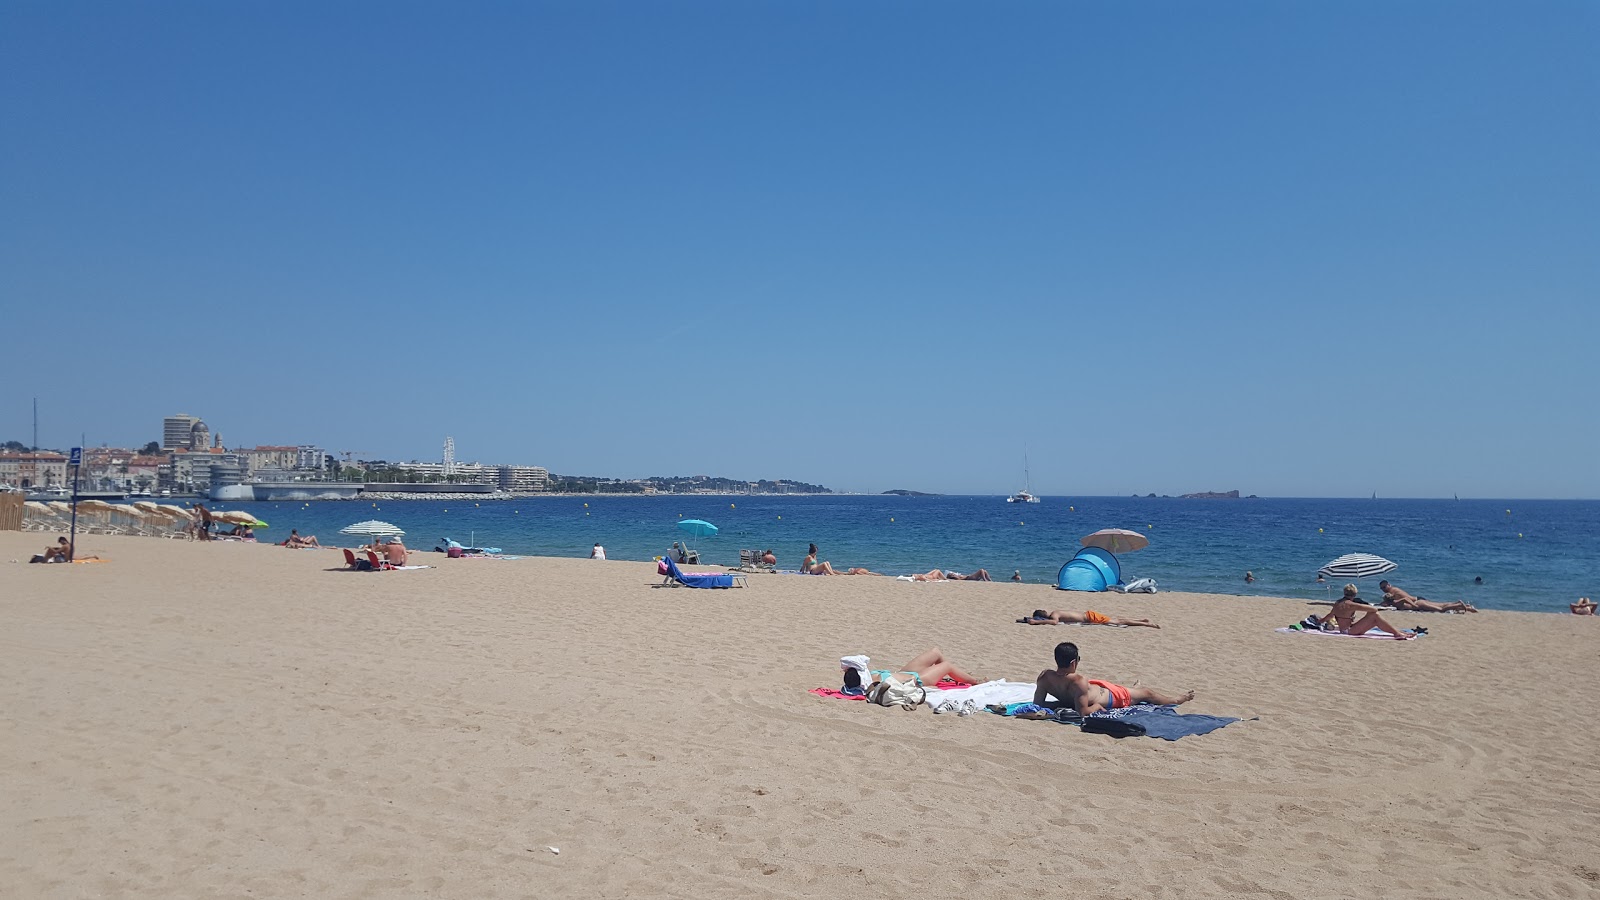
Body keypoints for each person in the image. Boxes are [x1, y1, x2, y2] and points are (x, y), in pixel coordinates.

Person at [1034, 642, 1194, 714]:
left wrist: (1059, 703)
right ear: (1073, 662)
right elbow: (1083, 712)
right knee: (1147, 694)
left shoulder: (1044, 676)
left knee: (1132, 690)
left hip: (1100, 689)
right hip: (1114, 697)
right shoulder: (1078, 681)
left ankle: (1134, 689)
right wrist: (1096, 707)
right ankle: (1176, 700)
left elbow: (1038, 704)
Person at [1314, 584, 1412, 639]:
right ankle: (1396, 633)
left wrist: (1320, 621)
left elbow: (1329, 616)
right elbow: (1374, 609)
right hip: (1349, 631)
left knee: (1374, 618)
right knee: (1374, 614)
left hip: (1344, 630)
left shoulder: (1337, 603)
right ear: (1355, 594)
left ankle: (1397, 632)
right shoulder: (1351, 605)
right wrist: (1361, 606)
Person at [865, 648, 984, 690]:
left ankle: (954, 675)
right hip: (918, 680)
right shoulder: (873, 686)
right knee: (947, 665)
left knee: (935, 652)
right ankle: (975, 681)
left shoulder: (868, 675)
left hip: (904, 673)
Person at [1377, 580, 1477, 613]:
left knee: (1441, 609)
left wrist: (1414, 606)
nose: (1384, 589)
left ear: (1389, 585)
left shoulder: (1393, 591)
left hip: (1418, 601)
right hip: (1418, 600)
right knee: (1442, 605)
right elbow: (1388, 601)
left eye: (1384, 587)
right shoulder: (1391, 597)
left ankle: (1459, 604)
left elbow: (1404, 599)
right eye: (1382, 589)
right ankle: (1467, 608)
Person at [1018, 609, 1160, 629]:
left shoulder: (1054, 614)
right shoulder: (1056, 612)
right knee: (1118, 619)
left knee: (1117, 622)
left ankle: (1145, 624)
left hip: (1090, 617)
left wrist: (1037, 622)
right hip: (1089, 615)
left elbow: (1054, 622)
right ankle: (1142, 620)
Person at [911, 568, 992, 582]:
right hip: (969, 577)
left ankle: (989, 580)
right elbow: (928, 580)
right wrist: (935, 580)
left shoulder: (921, 576)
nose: (916, 574)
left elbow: (926, 577)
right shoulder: (921, 577)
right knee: (981, 570)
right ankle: (986, 580)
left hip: (969, 576)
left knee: (936, 569)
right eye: (915, 574)